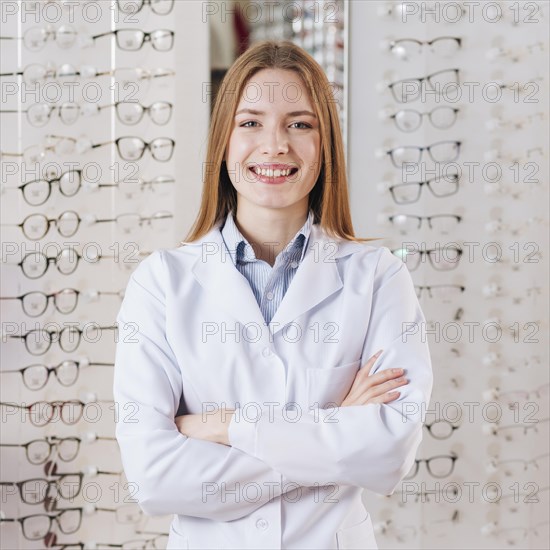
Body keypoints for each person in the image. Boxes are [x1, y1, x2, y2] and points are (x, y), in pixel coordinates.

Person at [114, 40, 433, 550]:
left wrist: (224, 426)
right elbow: (153, 477)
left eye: (300, 124)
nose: (275, 145)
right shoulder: (162, 283)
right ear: (223, 141)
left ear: (325, 143)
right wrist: (334, 432)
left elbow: (387, 454)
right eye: (251, 123)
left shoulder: (377, 278)